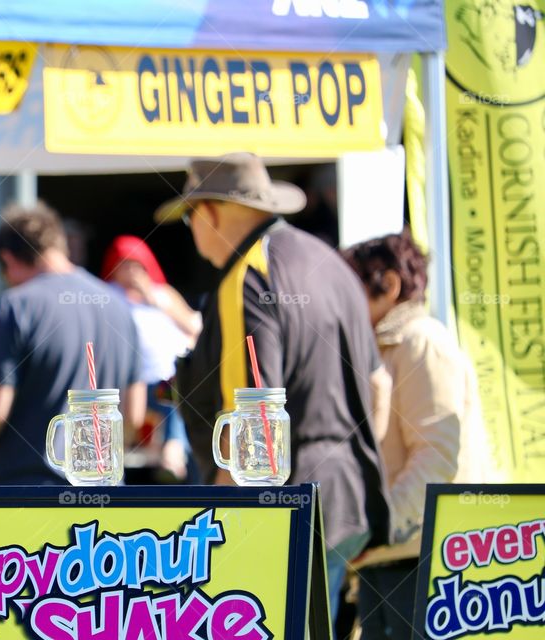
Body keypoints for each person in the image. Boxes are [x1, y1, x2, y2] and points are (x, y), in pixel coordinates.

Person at [156, 153, 391, 625]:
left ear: (212, 213)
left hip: (284, 513)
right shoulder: (330, 261)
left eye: (190, 217)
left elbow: (251, 431)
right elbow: (379, 386)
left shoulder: (245, 276)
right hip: (349, 502)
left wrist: (225, 530)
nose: (192, 231)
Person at [342, 231, 495, 640]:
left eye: (348, 285)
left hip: (423, 562)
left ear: (388, 285)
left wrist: (381, 529)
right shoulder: (389, 345)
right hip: (396, 557)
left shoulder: (420, 341)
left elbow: (435, 456)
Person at [0, 202, 146, 485]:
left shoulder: (17, 306)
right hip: (104, 498)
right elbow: (132, 418)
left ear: (8, 259)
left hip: (30, 497)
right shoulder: (119, 306)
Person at [101, 235, 201, 480]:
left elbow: (193, 325)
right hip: (123, 380)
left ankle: (173, 451)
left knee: (174, 402)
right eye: (124, 264)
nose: (131, 272)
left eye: (137, 265)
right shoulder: (105, 295)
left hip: (163, 376)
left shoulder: (161, 293)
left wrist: (153, 298)